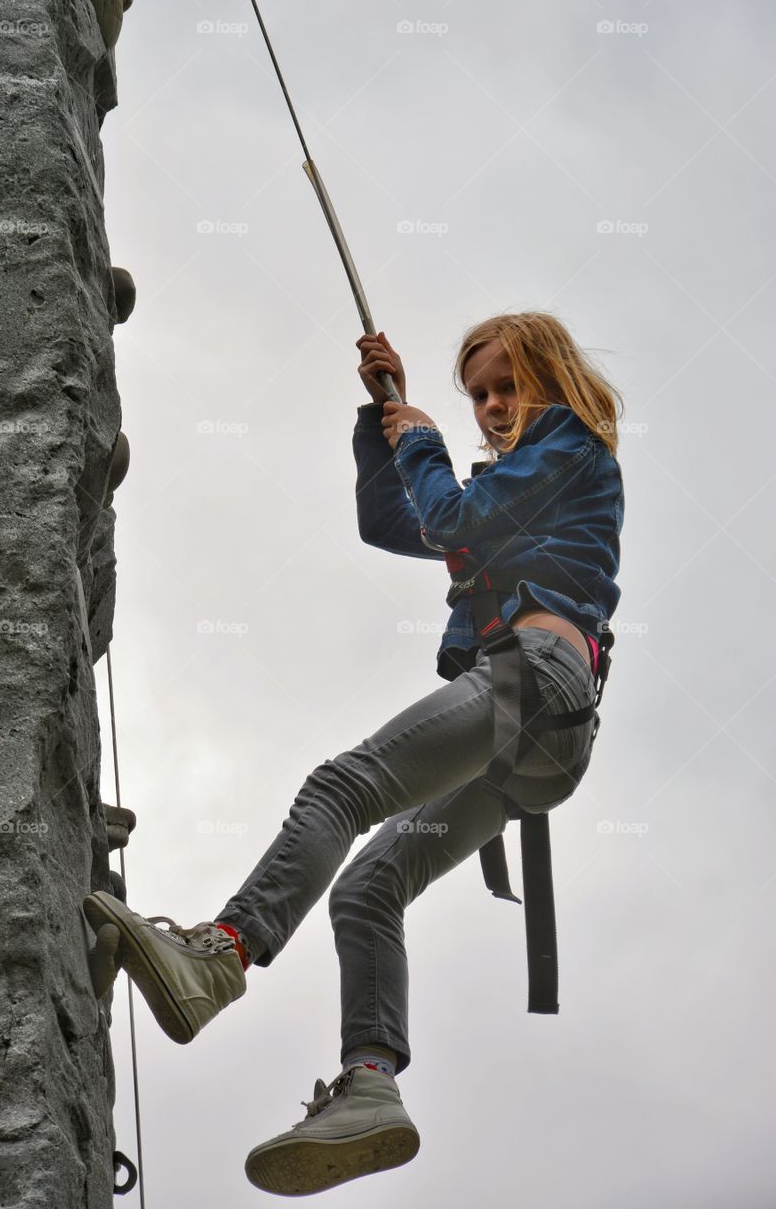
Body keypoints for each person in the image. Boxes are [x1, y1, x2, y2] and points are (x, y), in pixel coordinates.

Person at [83, 311, 624, 1197]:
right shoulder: (524, 477)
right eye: (479, 394)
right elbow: (393, 522)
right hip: (539, 746)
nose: (490, 406)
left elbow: (449, 513)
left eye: (505, 386)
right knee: (369, 888)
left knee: (342, 787)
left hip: (534, 682)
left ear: (550, 381)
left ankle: (222, 955)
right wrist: (387, 419)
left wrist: (422, 437)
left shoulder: (568, 440)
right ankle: (371, 1084)